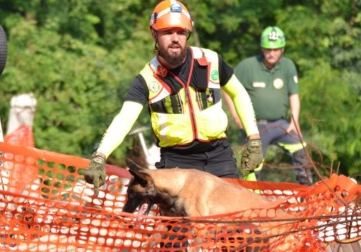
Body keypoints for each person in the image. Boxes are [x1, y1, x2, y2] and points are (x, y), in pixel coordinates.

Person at [84, 0, 264, 195]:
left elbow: (239, 93)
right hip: (176, 161)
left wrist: (253, 138)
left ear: (187, 33)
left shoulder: (211, 60)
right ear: (155, 34)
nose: (175, 38)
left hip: (218, 156)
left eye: (180, 32)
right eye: (168, 32)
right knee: (179, 226)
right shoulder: (146, 78)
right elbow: (125, 118)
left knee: (231, 222)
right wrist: (100, 156)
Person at [223, 26, 313, 185]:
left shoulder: (288, 66)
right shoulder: (247, 66)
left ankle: (306, 191)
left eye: (276, 49)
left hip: (281, 124)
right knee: (253, 164)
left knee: (301, 149)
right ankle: (251, 196)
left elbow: (294, 95)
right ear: (262, 48)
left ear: (282, 49)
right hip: (255, 126)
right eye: (268, 49)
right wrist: (235, 114)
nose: (271, 53)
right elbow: (227, 87)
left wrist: (295, 121)